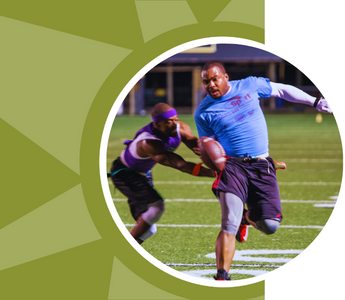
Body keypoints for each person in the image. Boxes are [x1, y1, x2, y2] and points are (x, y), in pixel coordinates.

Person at [194, 61, 332, 281]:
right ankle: (222, 277)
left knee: (269, 226)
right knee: (228, 222)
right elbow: (209, 144)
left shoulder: (250, 85)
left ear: (225, 77)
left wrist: (315, 101)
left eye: (214, 79)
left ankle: (245, 220)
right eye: (205, 81)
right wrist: (208, 156)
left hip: (261, 165)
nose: (210, 84)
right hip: (233, 167)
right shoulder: (203, 112)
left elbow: (282, 89)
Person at [109, 102, 215, 244]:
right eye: (168, 122)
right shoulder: (149, 142)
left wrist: (214, 154)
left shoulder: (180, 127)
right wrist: (215, 173)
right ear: (157, 125)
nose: (174, 124)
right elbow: (181, 165)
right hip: (125, 174)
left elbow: (195, 145)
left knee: (150, 229)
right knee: (156, 208)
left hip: (143, 173)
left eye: (176, 119)